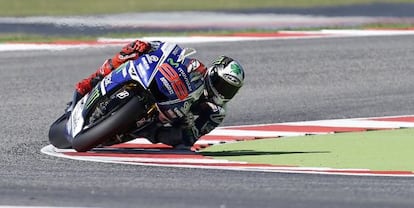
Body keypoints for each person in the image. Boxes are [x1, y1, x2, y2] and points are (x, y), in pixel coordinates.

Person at [73, 40, 245, 149]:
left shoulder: (216, 113)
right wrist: (151, 47)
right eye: (221, 84)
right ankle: (91, 81)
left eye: (229, 89)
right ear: (212, 73)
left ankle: (139, 131)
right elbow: (173, 56)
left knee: (180, 143)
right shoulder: (197, 68)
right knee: (133, 50)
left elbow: (192, 137)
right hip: (163, 92)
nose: (222, 91)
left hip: (164, 122)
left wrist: (189, 124)